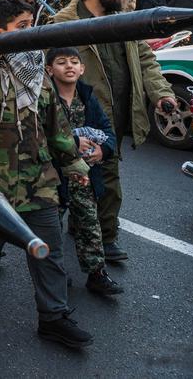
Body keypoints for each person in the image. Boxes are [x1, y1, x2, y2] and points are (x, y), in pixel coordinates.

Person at [0, 0, 93, 348]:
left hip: (38, 178)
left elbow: (55, 124)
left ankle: (54, 317)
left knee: (48, 249)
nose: (32, 32)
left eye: (32, 24)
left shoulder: (36, 69)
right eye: (23, 26)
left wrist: (73, 162)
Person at [51, 0, 175, 262]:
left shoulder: (124, 20)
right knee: (75, 176)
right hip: (81, 117)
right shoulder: (64, 24)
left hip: (118, 115)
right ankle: (88, 236)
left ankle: (101, 234)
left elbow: (145, 59)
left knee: (105, 174)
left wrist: (161, 93)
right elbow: (50, 72)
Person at [46, 47, 123, 296]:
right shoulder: (45, 98)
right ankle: (54, 274)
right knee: (51, 229)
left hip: (83, 176)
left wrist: (103, 150)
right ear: (49, 70)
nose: (69, 66)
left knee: (90, 224)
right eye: (61, 62)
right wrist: (72, 143)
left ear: (82, 69)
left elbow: (108, 132)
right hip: (53, 176)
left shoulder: (88, 97)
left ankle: (96, 274)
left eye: (74, 62)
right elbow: (38, 135)